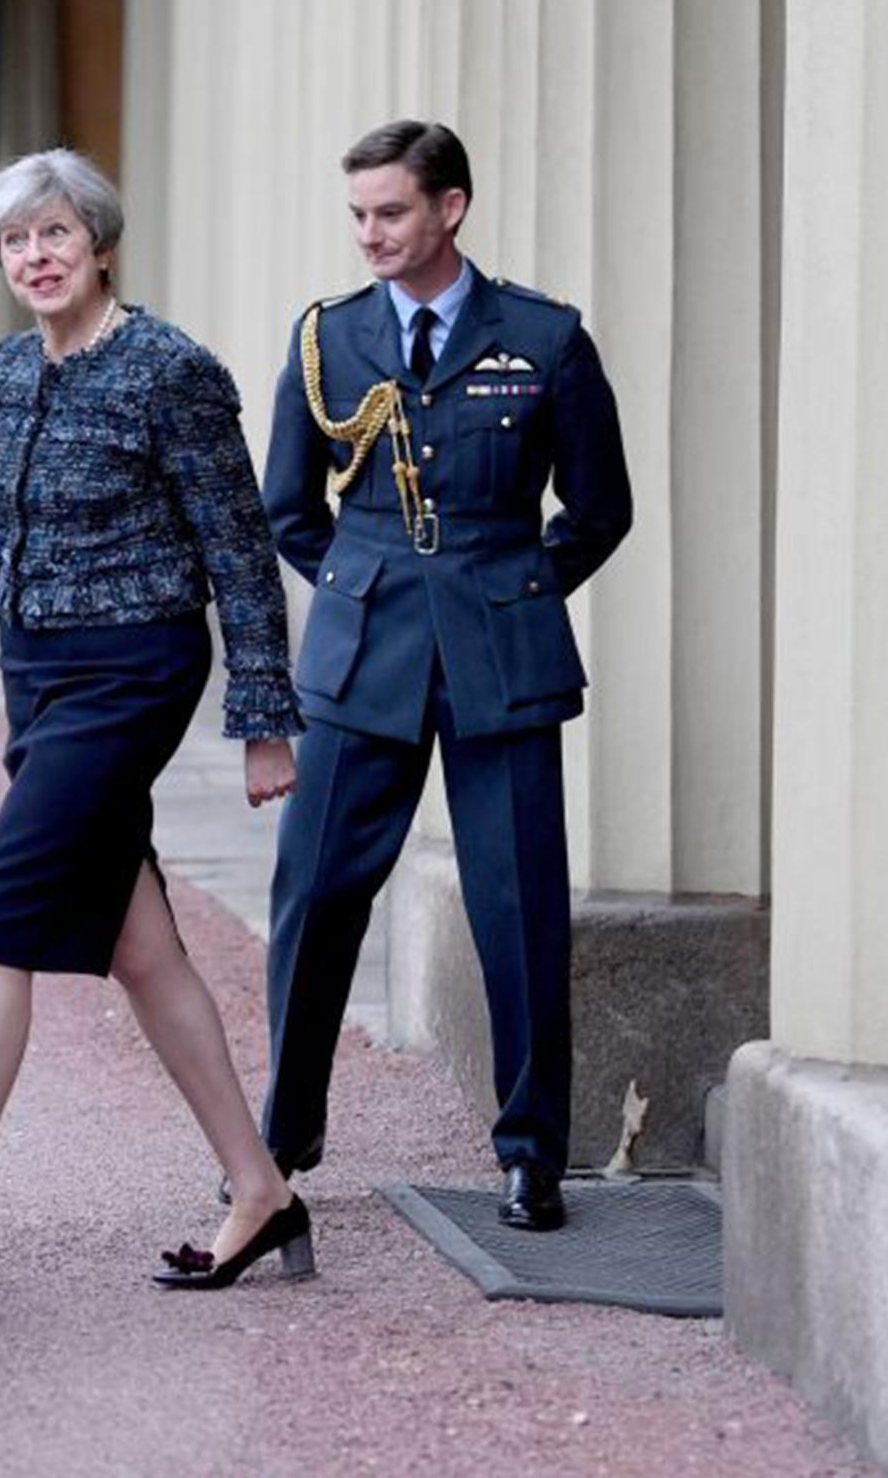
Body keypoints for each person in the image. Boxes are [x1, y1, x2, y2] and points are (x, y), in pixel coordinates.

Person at [0, 148, 311, 1327]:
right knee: (140, 948)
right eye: (14, 241)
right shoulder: (7, 372)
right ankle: (259, 1190)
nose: (35, 256)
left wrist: (263, 721)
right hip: (41, 679)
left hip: (133, 672)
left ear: (98, 243)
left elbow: (238, 550)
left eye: (54, 233)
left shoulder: (169, 371)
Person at [257, 120, 632, 1231]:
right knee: (313, 893)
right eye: (359, 216)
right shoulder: (328, 338)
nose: (370, 235)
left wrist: (513, 590)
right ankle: (278, 1141)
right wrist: (363, 587)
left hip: (497, 655)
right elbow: (289, 508)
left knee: (518, 905)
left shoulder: (543, 338)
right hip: (363, 653)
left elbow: (598, 508)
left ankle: (531, 1155)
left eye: (391, 212)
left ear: (449, 208)